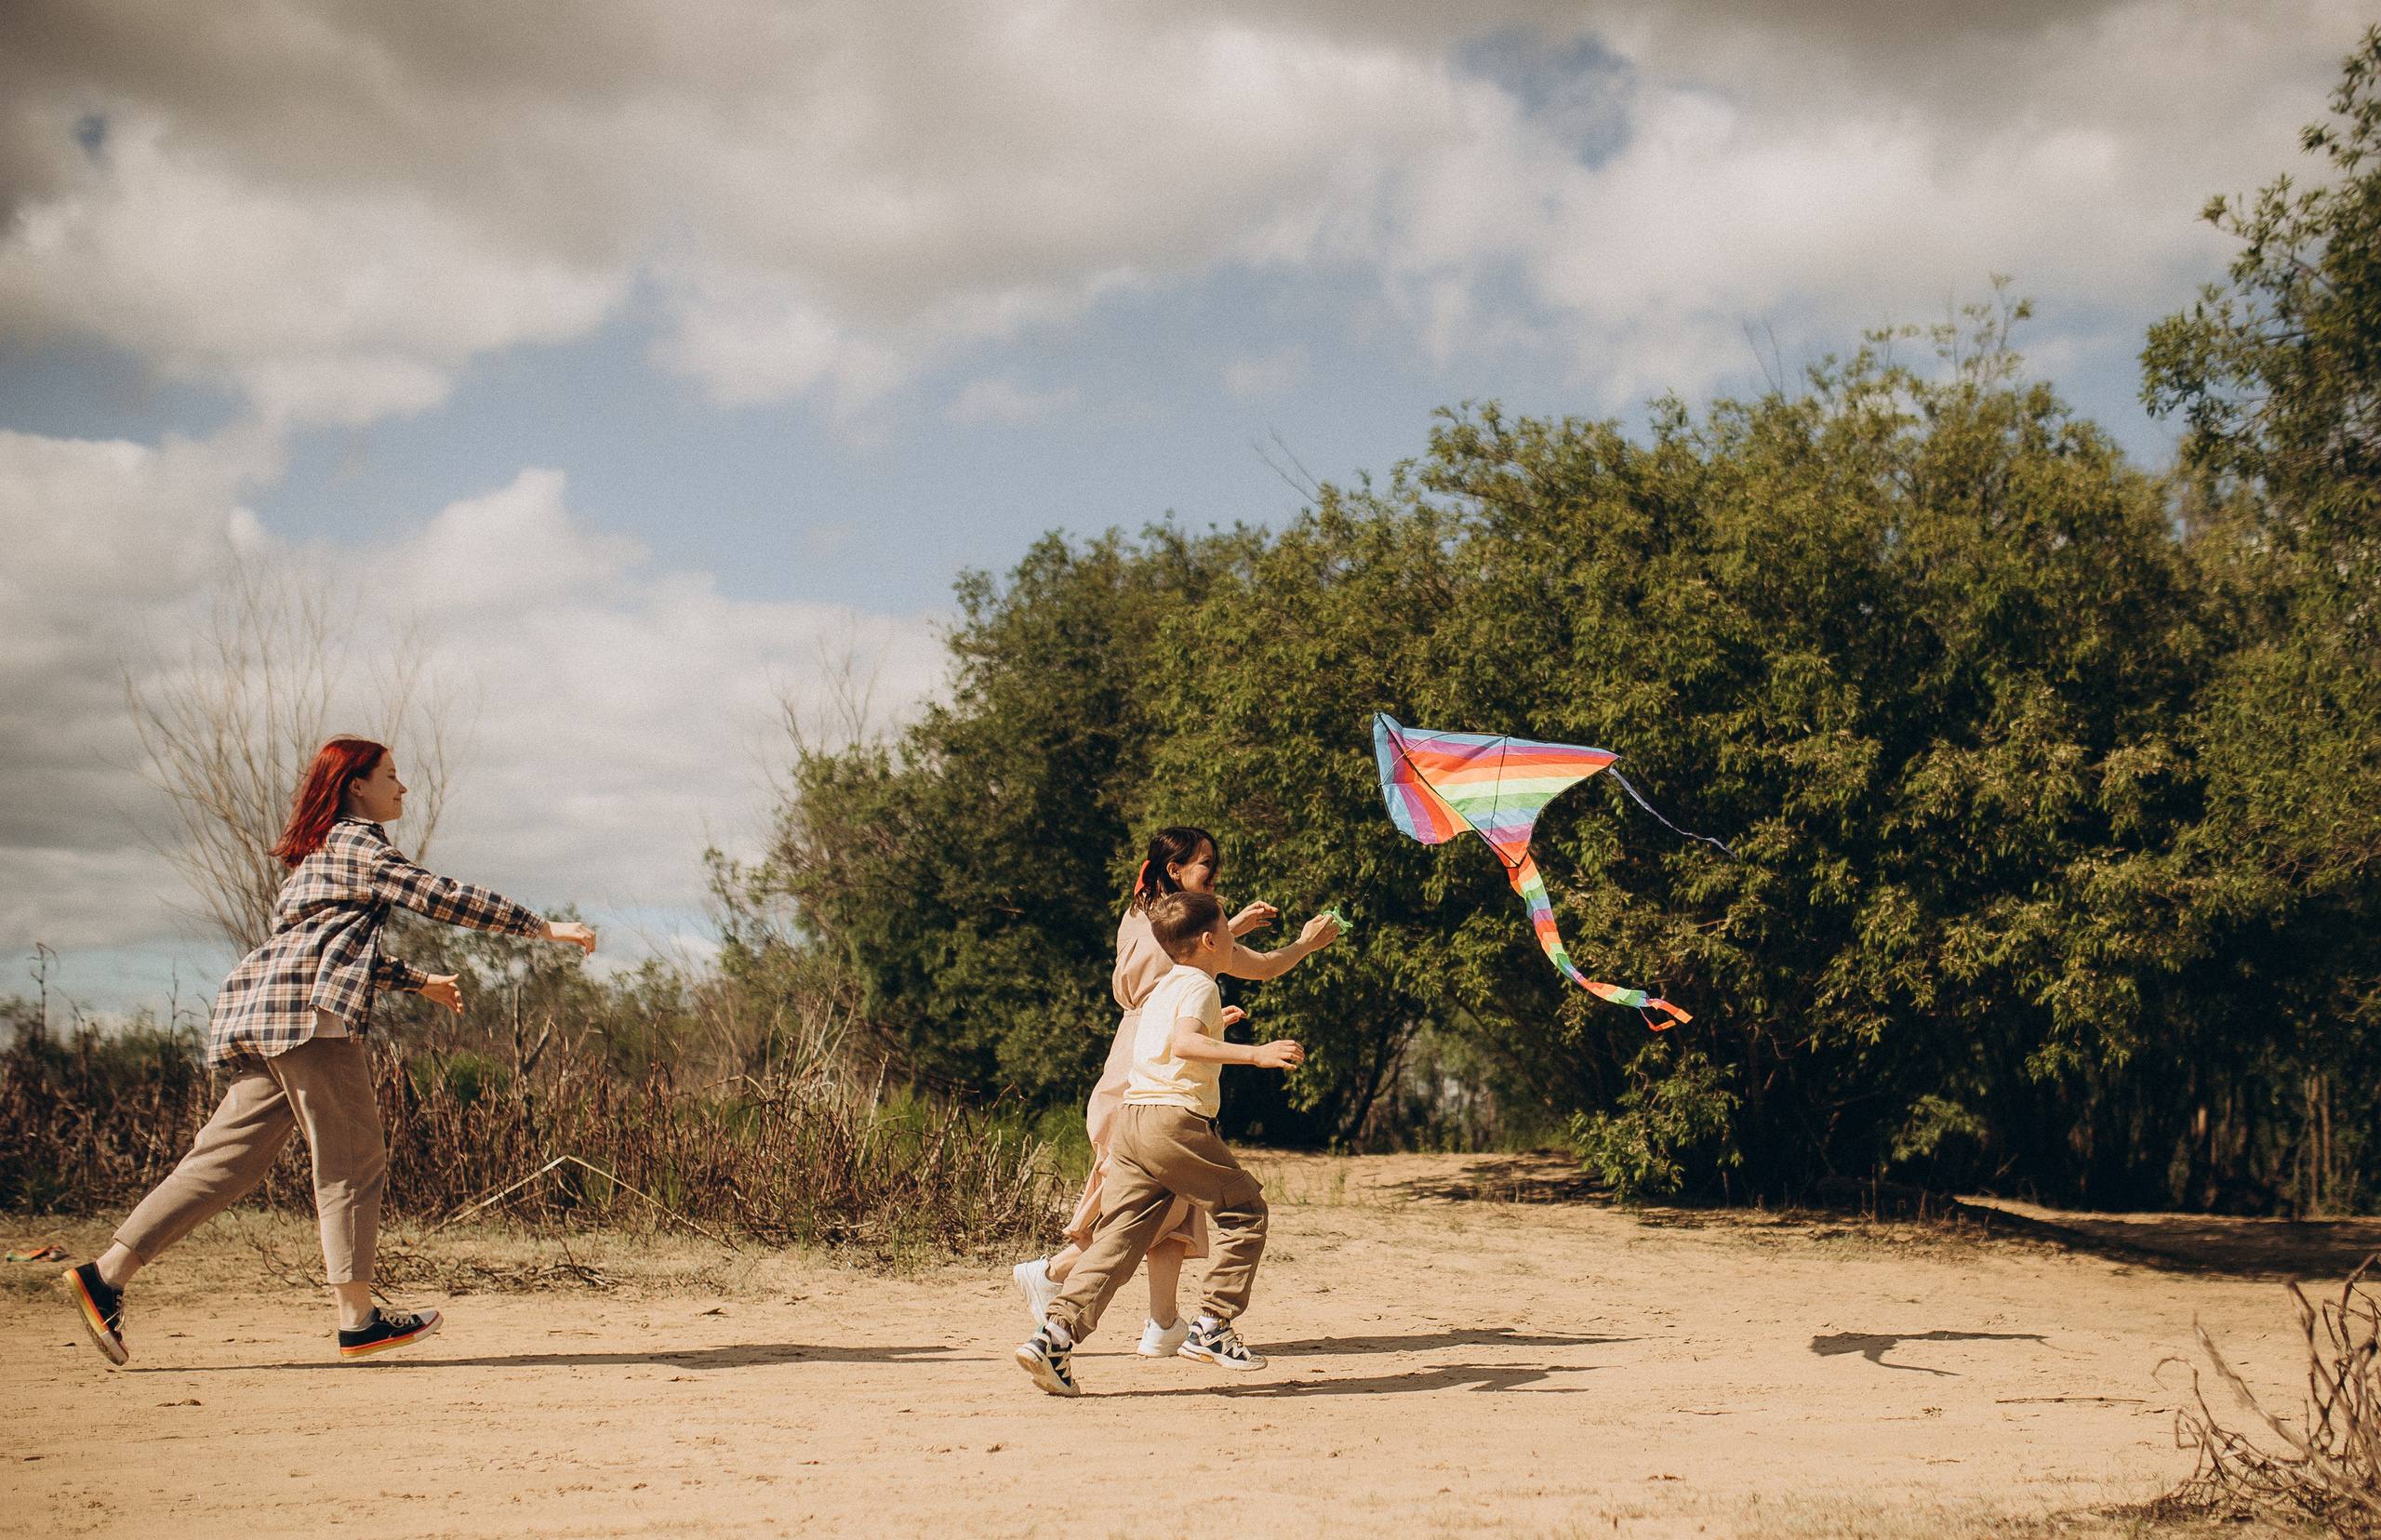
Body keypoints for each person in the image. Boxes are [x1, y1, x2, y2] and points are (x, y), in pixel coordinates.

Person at [61, 737, 594, 1365]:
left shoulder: (319, 852)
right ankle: (357, 1318)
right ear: (355, 786)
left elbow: (326, 948)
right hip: (311, 1023)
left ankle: (106, 1274)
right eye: (390, 776)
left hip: (269, 1017)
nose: (402, 788)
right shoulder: (358, 843)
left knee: (226, 1163)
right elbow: (437, 895)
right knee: (353, 1158)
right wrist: (541, 926)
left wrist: (418, 981)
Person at [1011, 826, 1335, 1358]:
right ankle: (1056, 1275)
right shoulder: (1155, 928)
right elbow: (1169, 983)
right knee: (1160, 1214)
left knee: (1157, 1215)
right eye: (1207, 864)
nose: (1216, 873)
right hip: (1144, 1081)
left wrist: (1299, 944)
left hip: (1156, 1086)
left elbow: (1249, 969)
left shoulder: (1196, 957)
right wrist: (1251, 1046)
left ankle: (1138, 1326)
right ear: (1174, 870)